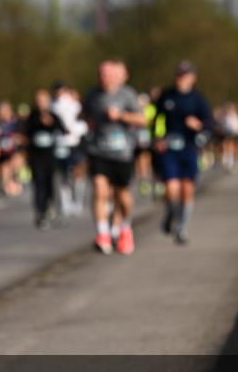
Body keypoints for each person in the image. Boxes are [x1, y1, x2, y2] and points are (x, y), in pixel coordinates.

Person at [81, 59, 146, 255]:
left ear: (118, 76)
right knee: (100, 190)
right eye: (101, 74)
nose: (103, 78)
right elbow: (83, 115)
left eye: (107, 74)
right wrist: (86, 123)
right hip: (99, 151)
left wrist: (122, 116)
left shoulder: (128, 94)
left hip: (122, 153)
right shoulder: (92, 95)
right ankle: (103, 233)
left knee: (122, 196)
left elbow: (143, 120)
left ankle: (125, 228)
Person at [153, 60, 213, 245]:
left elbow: (209, 126)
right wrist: (158, 139)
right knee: (171, 188)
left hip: (189, 148)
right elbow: (156, 120)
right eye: (178, 75)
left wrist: (199, 127)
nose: (180, 79)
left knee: (187, 189)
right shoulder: (166, 96)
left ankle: (181, 228)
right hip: (169, 148)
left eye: (184, 75)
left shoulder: (198, 99)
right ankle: (172, 212)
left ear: (192, 78)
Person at [22, 90, 66, 229]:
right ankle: (40, 212)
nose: (41, 103)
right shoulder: (31, 117)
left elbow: (63, 130)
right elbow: (23, 133)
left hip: (50, 156)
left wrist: (51, 123)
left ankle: (51, 207)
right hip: (36, 157)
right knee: (38, 185)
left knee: (50, 184)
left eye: (43, 100)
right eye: (38, 100)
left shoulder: (53, 116)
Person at [50, 82, 87, 217]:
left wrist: (78, 130)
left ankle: (78, 201)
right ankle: (67, 203)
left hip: (76, 142)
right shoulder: (52, 106)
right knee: (63, 173)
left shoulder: (75, 105)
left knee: (78, 171)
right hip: (61, 143)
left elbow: (83, 120)